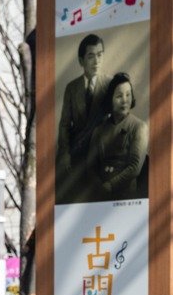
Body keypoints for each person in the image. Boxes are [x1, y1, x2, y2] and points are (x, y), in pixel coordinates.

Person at [57, 34, 110, 204]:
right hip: (78, 151)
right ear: (81, 61)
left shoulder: (110, 85)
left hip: (102, 151)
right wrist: (65, 152)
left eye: (100, 55)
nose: (97, 61)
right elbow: (64, 124)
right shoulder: (72, 88)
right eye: (91, 56)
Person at [89, 71, 149, 202]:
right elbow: (90, 166)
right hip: (100, 195)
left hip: (126, 198)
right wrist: (99, 187)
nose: (125, 100)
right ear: (110, 99)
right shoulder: (99, 130)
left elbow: (135, 167)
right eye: (119, 96)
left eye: (128, 95)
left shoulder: (139, 127)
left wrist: (110, 185)